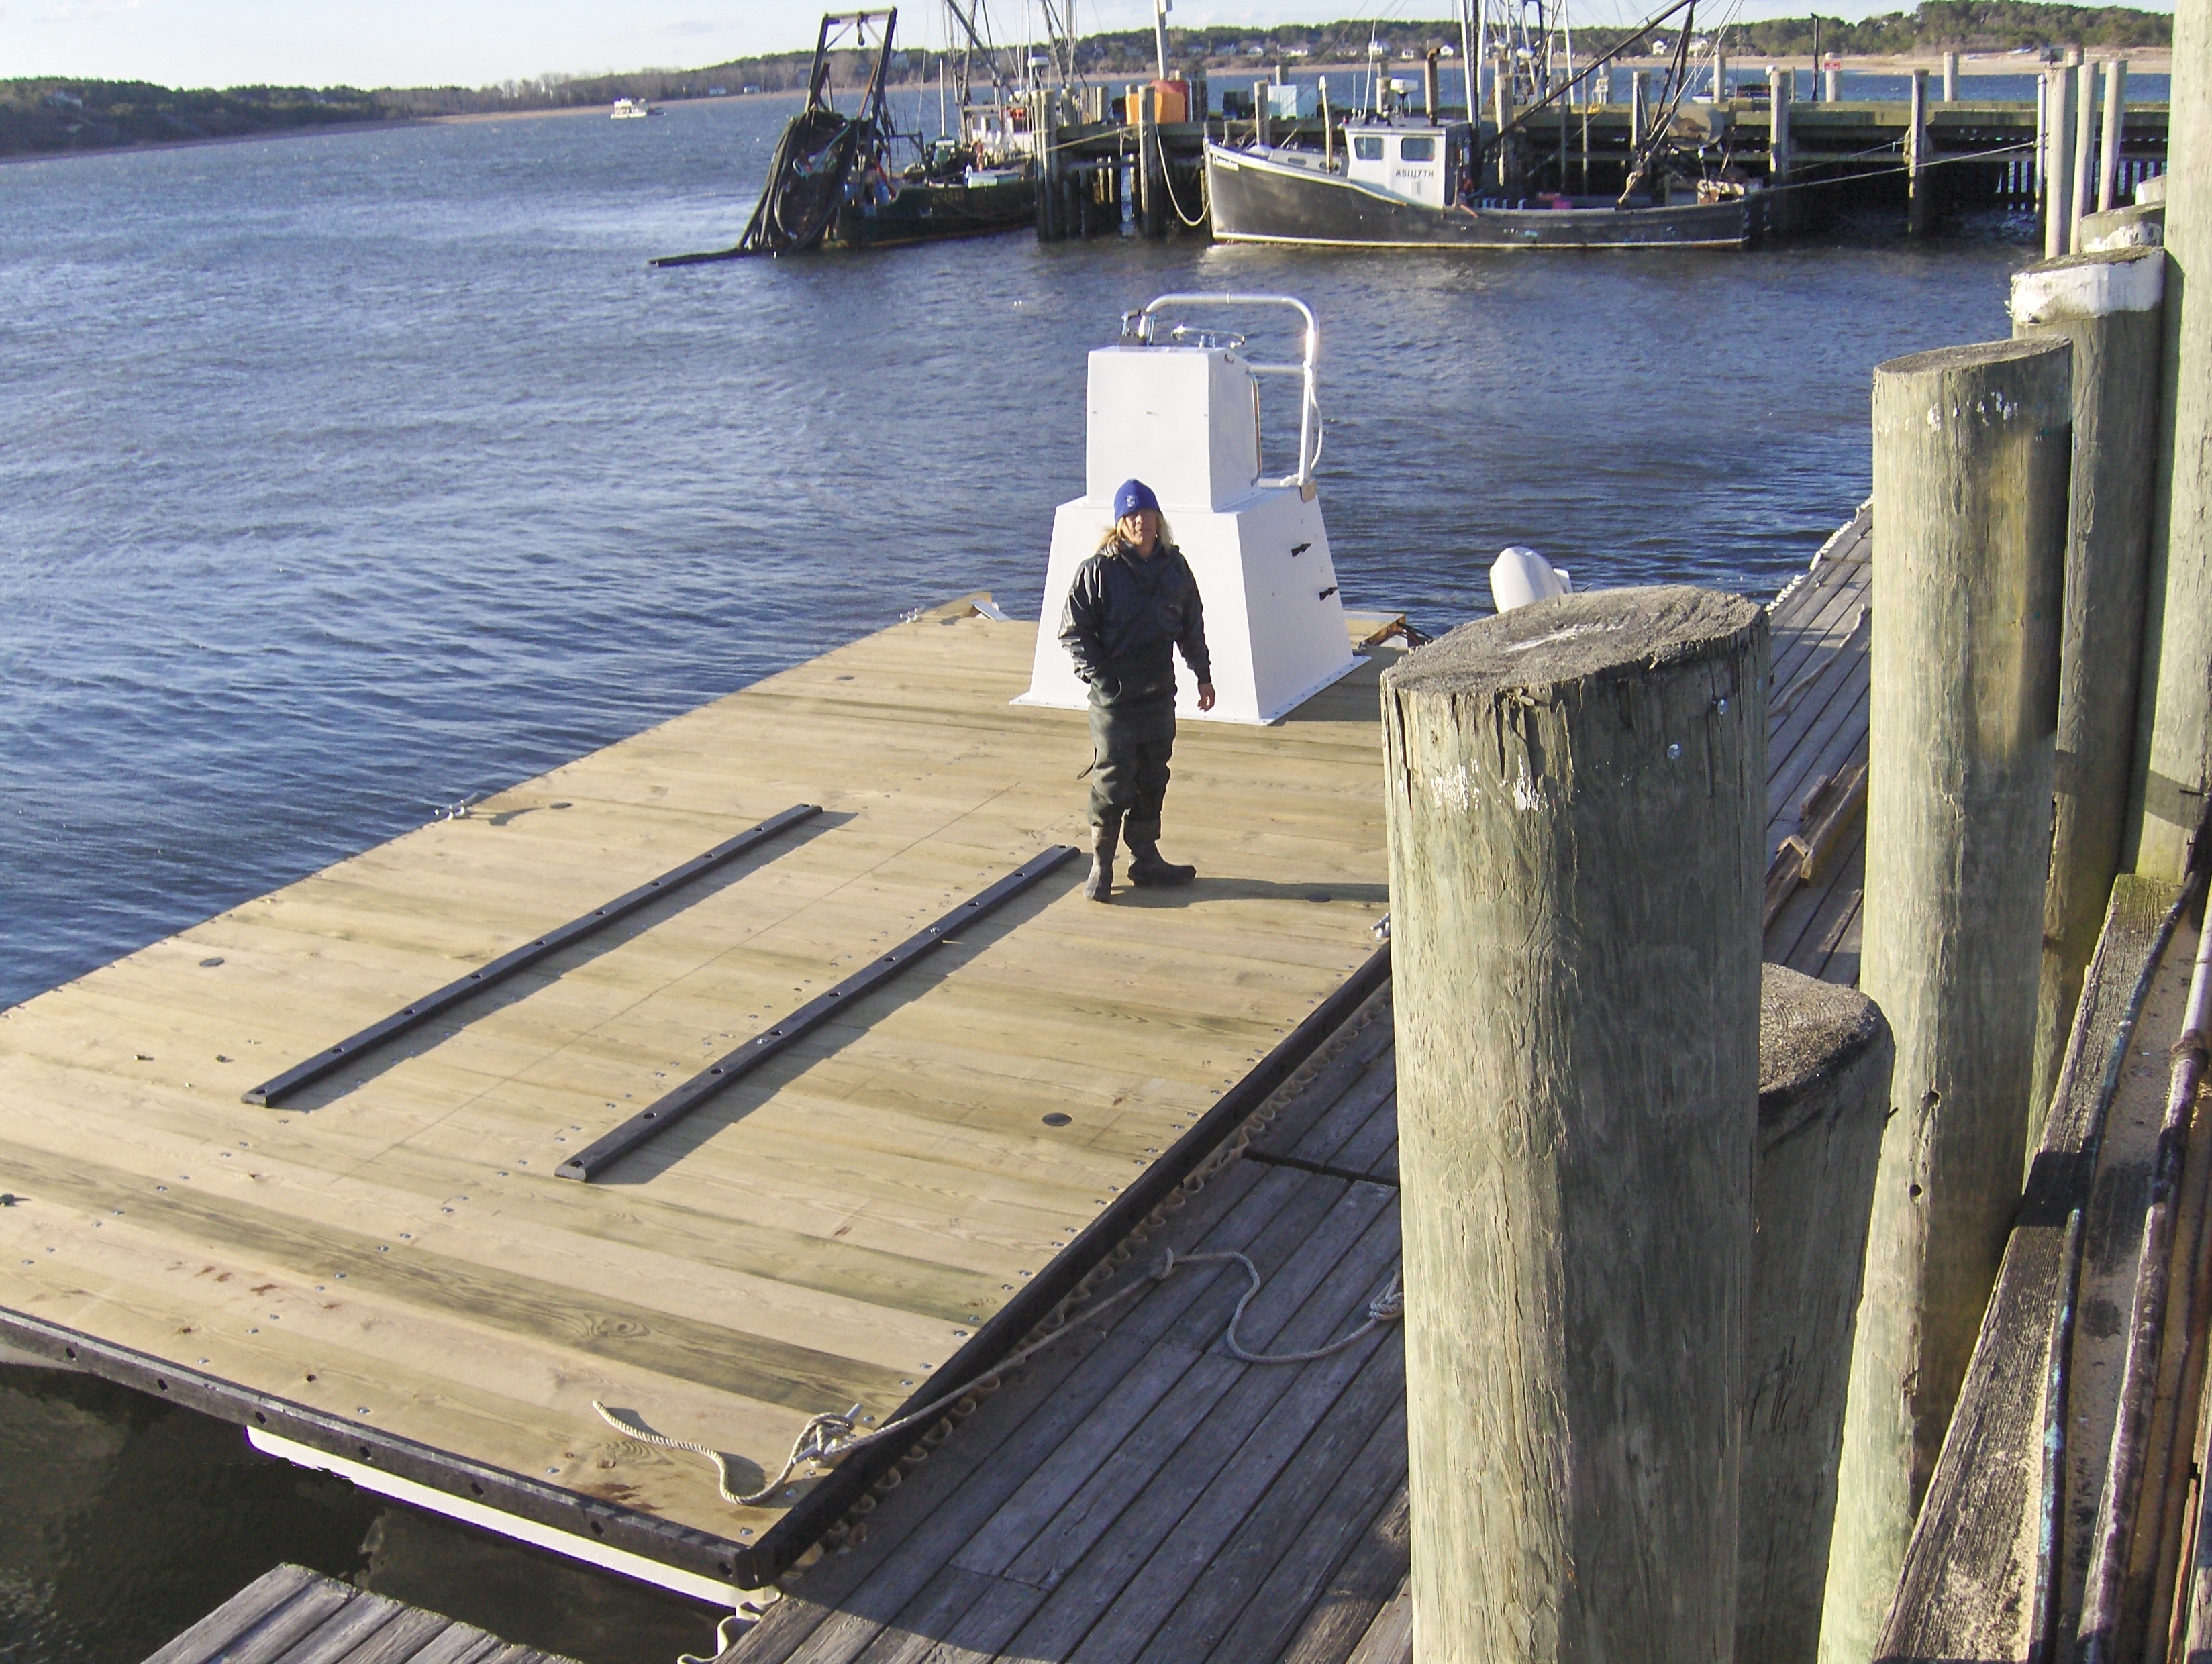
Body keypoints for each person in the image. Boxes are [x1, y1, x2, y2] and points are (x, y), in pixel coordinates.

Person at [1058, 478, 1215, 902]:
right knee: (1112, 780)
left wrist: (1202, 674)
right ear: (1119, 524)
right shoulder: (1098, 571)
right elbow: (1073, 633)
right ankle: (1101, 864)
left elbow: (1191, 625)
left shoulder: (1174, 568)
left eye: (1145, 513)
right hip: (1115, 702)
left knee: (1153, 776)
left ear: (1157, 518)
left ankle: (1145, 858)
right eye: (1129, 516)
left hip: (1159, 693)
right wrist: (1102, 678)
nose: (1139, 522)